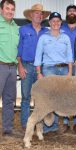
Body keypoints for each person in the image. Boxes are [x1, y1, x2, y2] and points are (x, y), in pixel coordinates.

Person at [34, 12, 73, 133]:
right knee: (49, 97)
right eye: (53, 21)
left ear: (61, 23)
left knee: (62, 97)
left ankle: (55, 124)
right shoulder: (43, 38)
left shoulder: (65, 37)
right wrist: (39, 73)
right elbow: (38, 56)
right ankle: (46, 125)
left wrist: (70, 72)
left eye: (58, 21)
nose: (55, 23)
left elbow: (69, 56)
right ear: (49, 23)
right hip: (49, 69)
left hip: (63, 69)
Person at [17, 4, 50, 129]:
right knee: (26, 97)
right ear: (31, 15)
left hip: (41, 68)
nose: (39, 15)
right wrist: (20, 66)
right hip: (26, 66)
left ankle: (39, 125)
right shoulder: (23, 30)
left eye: (41, 14)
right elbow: (19, 49)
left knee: (41, 98)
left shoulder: (46, 32)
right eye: (36, 13)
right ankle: (25, 125)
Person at [61, 4, 76, 133]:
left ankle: (75, 122)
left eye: (74, 11)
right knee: (64, 93)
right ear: (66, 13)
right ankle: (65, 121)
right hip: (64, 65)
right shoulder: (60, 27)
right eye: (69, 11)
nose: (72, 13)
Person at [0, 0, 19, 135]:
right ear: (1, 9)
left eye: (12, 9)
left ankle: (8, 129)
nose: (10, 11)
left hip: (13, 68)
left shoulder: (15, 27)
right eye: (7, 8)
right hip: (0, 66)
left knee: (9, 100)